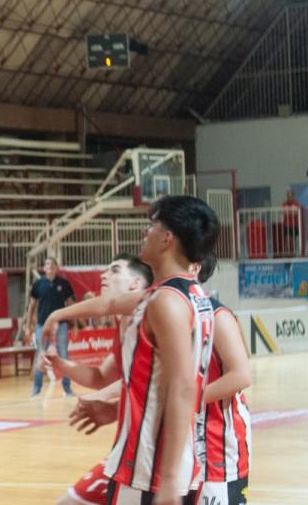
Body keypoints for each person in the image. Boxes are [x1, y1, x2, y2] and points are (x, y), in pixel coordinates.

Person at [45, 255, 252, 505]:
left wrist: (178, 401)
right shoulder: (154, 307)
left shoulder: (215, 313)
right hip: (159, 448)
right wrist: (57, 317)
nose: (104, 276)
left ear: (194, 268)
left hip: (216, 448)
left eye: (114, 271)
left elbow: (240, 375)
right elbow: (131, 376)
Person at [98, 196, 219, 505]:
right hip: (162, 464)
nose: (145, 233)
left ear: (167, 238)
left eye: (151, 226)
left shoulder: (166, 301)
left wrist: (166, 479)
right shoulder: (194, 296)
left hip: (148, 470)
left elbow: (181, 387)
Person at [25, 257, 75, 397]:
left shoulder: (64, 283)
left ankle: (67, 388)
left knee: (64, 355)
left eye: (53, 264)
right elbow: (31, 306)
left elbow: (71, 304)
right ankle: (36, 388)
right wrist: (28, 326)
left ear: (57, 267)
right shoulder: (38, 284)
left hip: (62, 325)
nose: (50, 266)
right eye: (47, 263)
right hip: (42, 325)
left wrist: (75, 323)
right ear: (44, 267)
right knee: (40, 355)